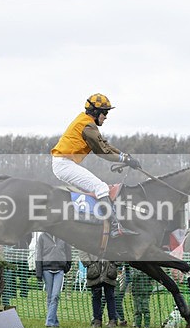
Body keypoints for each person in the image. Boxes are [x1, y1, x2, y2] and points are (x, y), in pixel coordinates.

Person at [51, 93, 140, 238]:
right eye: (104, 113)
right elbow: (102, 152)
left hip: (64, 163)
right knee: (101, 188)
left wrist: (125, 156)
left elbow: (104, 144)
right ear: (95, 112)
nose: (106, 117)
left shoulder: (87, 122)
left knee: (100, 187)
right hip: (64, 164)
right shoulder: (87, 126)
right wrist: (125, 160)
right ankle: (113, 227)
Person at [35, 232, 72, 328]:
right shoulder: (42, 236)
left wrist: (66, 266)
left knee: (55, 295)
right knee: (50, 296)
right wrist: (38, 272)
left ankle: (49, 322)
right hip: (46, 270)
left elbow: (69, 253)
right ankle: (54, 322)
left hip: (59, 269)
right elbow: (38, 254)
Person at [79, 250, 119, 328]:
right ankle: (97, 321)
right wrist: (90, 264)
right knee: (96, 296)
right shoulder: (88, 238)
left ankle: (113, 321)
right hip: (94, 272)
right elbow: (82, 251)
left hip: (109, 271)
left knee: (110, 296)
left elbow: (121, 250)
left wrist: (114, 264)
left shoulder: (114, 238)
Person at [2, 232, 33, 306]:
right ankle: (12, 294)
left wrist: (24, 245)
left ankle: (23, 292)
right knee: (11, 275)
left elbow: (29, 238)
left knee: (23, 275)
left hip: (22, 253)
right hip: (13, 254)